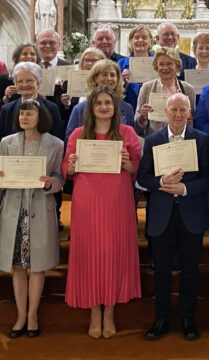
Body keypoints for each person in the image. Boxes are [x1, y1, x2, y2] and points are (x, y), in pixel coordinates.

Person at [63, 86, 143, 339]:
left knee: (112, 252)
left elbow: (139, 170)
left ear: (115, 107)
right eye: (99, 103)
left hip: (117, 201)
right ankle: (93, 311)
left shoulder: (127, 133)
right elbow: (66, 170)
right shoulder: (78, 134)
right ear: (92, 107)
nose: (104, 107)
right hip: (87, 201)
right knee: (90, 252)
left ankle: (109, 311)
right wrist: (72, 166)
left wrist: (127, 163)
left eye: (108, 102)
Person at [135, 93, 209, 341]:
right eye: (174, 110)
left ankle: (189, 318)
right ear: (165, 112)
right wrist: (160, 182)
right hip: (161, 214)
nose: (178, 115)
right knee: (162, 271)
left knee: (190, 270)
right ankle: (162, 318)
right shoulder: (153, 140)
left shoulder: (202, 140)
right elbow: (142, 177)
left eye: (183, 110)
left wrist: (185, 189)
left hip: (191, 212)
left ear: (189, 112)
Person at [0, 100, 64, 339]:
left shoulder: (55, 144)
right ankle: (20, 315)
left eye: (30, 113)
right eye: (22, 113)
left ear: (40, 116)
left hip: (39, 210)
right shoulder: (6, 142)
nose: (24, 117)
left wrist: (49, 183)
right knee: (17, 267)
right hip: (14, 211)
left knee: (37, 266)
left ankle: (32, 315)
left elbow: (60, 179)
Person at [64, 59, 137, 139]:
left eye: (112, 75)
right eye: (104, 74)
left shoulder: (127, 109)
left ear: (118, 79)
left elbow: (132, 139)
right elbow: (69, 139)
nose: (109, 78)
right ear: (95, 78)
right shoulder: (79, 109)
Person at [0, 62, 65, 143]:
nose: (24, 85)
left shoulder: (51, 108)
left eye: (29, 80)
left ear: (38, 83)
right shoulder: (6, 110)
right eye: (20, 81)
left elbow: (58, 140)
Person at [135, 49, 197, 137]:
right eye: (161, 64)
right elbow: (137, 125)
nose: (165, 68)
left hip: (180, 141)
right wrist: (142, 117)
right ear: (156, 67)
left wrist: (190, 120)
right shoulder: (146, 87)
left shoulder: (188, 89)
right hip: (154, 140)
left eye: (169, 64)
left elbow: (193, 122)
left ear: (177, 66)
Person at [55, 47, 107, 123]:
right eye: (86, 60)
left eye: (94, 60)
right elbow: (63, 116)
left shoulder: (106, 83)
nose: (89, 63)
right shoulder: (69, 82)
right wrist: (66, 105)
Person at [0, 42, 41, 117]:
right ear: (17, 58)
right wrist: (6, 97)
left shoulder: (44, 79)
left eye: (32, 54)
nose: (29, 57)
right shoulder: (4, 79)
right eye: (25, 54)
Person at [118, 27, 154, 108]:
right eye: (136, 37)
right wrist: (123, 83)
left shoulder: (158, 63)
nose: (140, 40)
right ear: (131, 41)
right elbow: (114, 91)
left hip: (152, 110)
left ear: (150, 41)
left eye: (144, 37)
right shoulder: (121, 64)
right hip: (128, 109)